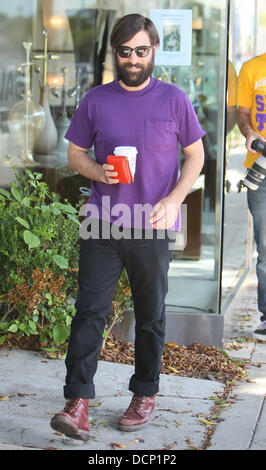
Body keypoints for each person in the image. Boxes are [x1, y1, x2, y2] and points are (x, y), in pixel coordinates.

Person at [50, 13, 205, 441]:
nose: (133, 59)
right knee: (89, 313)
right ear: (115, 54)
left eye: (141, 50)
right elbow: (75, 155)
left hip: (152, 226)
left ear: (153, 50)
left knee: (150, 316)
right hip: (103, 223)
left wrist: (174, 200)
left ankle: (145, 393)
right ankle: (77, 400)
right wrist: (98, 173)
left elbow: (196, 155)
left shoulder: (174, 99)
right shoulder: (96, 100)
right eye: (125, 51)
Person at [237, 53, 266, 339]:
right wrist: (249, 133)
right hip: (262, 167)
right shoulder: (252, 68)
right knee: (265, 250)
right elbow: (243, 113)